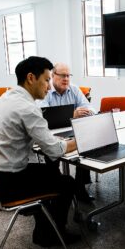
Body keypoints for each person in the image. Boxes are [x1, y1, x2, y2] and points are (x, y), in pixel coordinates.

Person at [0, 56, 80, 248]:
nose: (49, 87)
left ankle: (44, 224)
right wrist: (78, 141)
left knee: (50, 166)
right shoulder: (27, 108)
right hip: (8, 183)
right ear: (30, 78)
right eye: (46, 80)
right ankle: (53, 234)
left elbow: (45, 144)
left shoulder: (8, 97)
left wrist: (54, 142)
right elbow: (54, 149)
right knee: (67, 183)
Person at [38, 62, 97, 202]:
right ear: (53, 76)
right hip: (51, 134)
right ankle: (58, 191)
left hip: (73, 131)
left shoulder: (74, 89)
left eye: (68, 76)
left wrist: (87, 112)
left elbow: (91, 108)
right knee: (51, 156)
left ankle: (80, 188)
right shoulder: (45, 91)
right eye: (62, 75)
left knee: (86, 148)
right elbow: (44, 116)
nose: (66, 79)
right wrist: (73, 114)